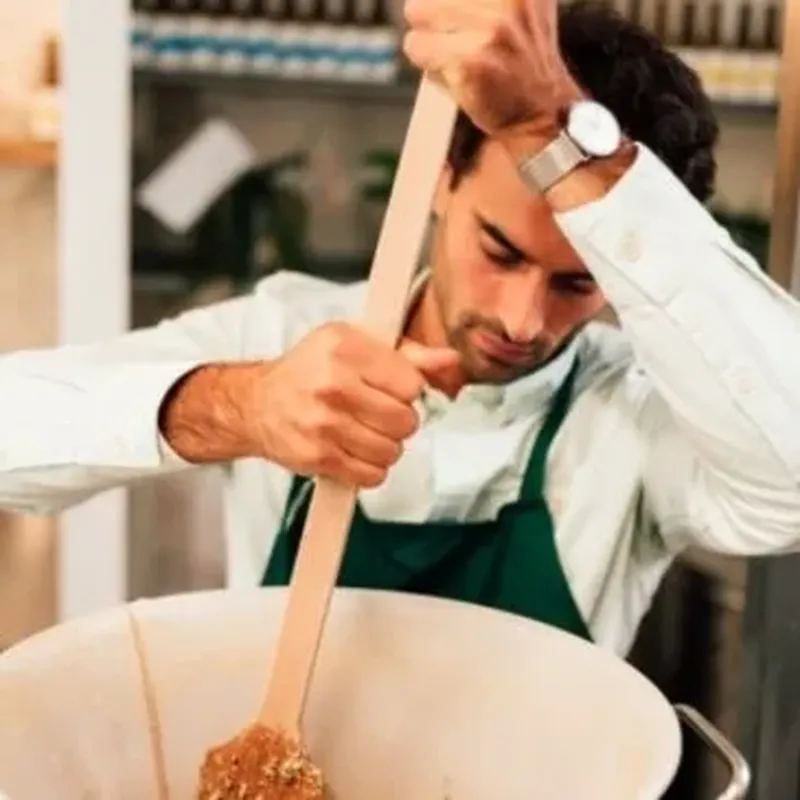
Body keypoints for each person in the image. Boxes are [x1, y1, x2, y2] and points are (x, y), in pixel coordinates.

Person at [2, 0, 799, 657]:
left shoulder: (633, 410)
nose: (522, 321)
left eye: (577, 282)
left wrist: (555, 134)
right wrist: (241, 407)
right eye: (499, 249)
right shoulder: (288, 332)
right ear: (442, 180)